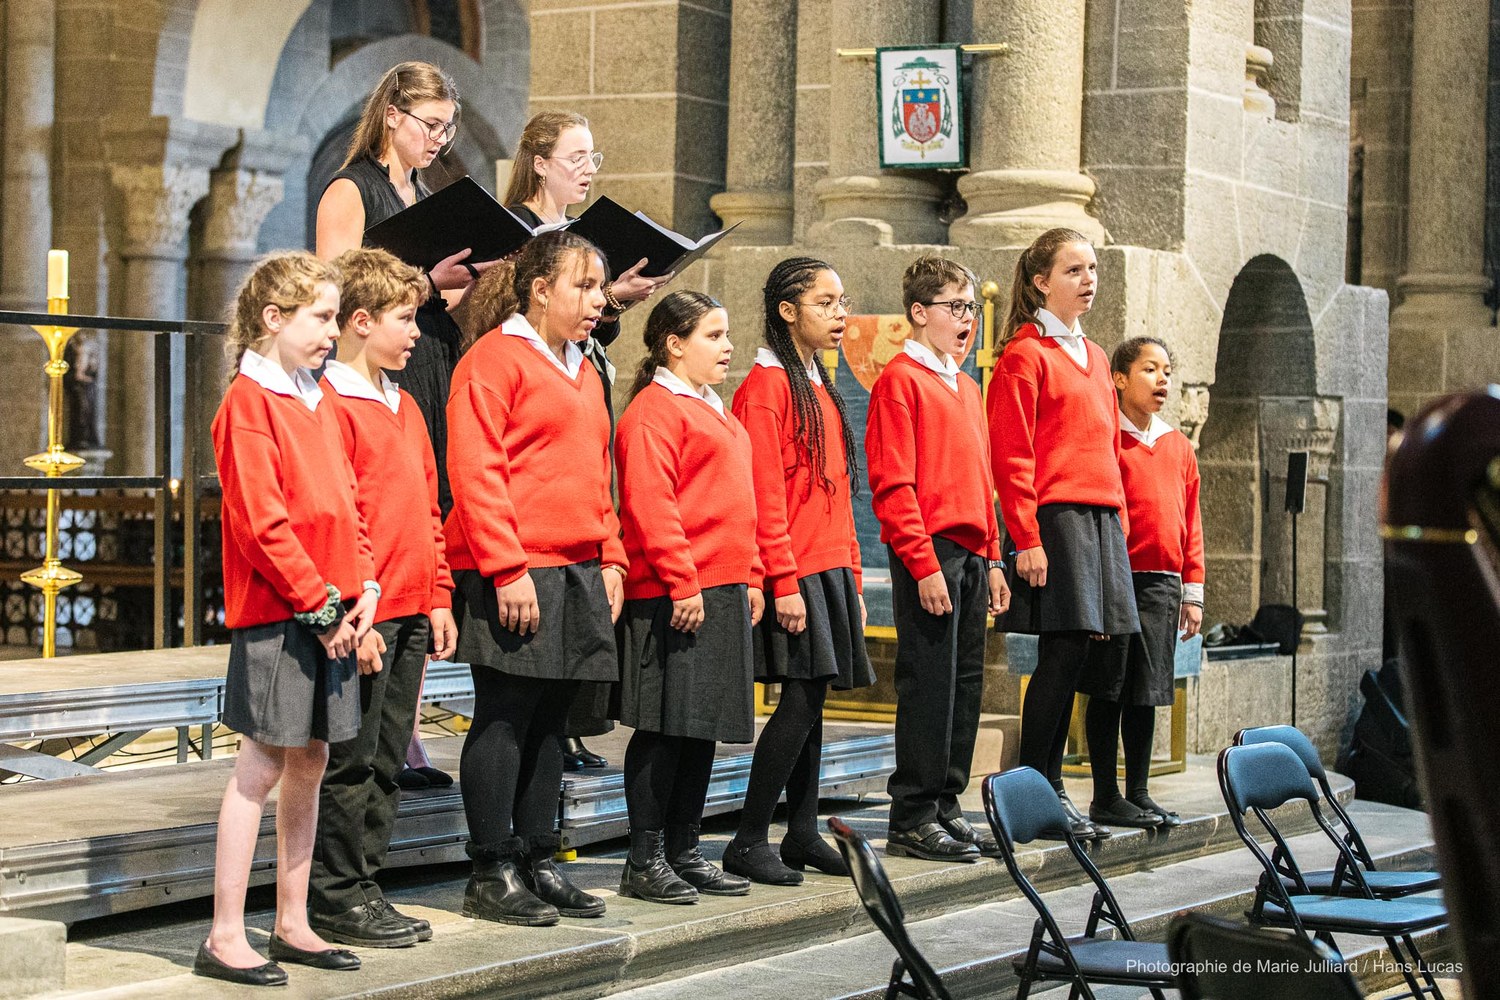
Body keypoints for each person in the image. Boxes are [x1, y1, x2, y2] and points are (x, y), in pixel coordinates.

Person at [199, 252, 375, 986]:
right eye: (322, 317)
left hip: (334, 611)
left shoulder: (317, 396)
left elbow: (347, 501)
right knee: (262, 764)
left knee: (313, 759)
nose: (334, 332)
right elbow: (263, 524)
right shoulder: (250, 402)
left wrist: (362, 588)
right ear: (274, 319)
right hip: (282, 614)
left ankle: (293, 920)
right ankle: (224, 934)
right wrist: (321, 605)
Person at [315, 59, 489, 790]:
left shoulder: (428, 196)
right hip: (373, 374)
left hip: (430, 360)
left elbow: (426, 301)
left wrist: (465, 286)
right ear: (392, 114)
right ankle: (378, 731)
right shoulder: (352, 189)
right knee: (383, 529)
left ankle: (406, 733)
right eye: (430, 124)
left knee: (426, 521)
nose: (439, 139)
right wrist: (428, 284)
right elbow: (335, 290)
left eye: (449, 128)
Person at [446, 230, 624, 926]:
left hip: (576, 565)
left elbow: (597, 470)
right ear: (541, 289)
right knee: (507, 714)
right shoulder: (493, 360)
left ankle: (538, 859)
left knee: (553, 720)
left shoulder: (583, 366)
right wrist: (506, 567)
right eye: (585, 286)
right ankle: (491, 869)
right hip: (516, 566)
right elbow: (476, 470)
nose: (598, 300)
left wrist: (611, 555)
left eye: (601, 287)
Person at [499, 109, 665, 770]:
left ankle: (572, 723)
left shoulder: (580, 238)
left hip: (581, 381)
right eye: (576, 157)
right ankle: (552, 730)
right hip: (534, 419)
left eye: (593, 157)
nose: (588, 169)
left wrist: (613, 300)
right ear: (539, 163)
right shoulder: (516, 235)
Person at [306, 248, 458, 947]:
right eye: (405, 318)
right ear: (361, 321)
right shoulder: (332, 405)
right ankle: (335, 895)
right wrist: (355, 614)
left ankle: (368, 886)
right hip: (365, 614)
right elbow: (340, 517)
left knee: (390, 759)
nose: (417, 332)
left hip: (412, 609)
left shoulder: (404, 403)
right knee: (352, 760)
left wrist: (439, 595)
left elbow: (428, 509)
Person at [721, 258, 874, 885]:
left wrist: (854, 578)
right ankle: (748, 838)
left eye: (842, 302)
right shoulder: (765, 387)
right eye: (825, 303)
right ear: (788, 312)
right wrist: (781, 580)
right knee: (800, 701)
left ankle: (803, 832)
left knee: (812, 704)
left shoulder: (815, 382)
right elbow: (763, 495)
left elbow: (836, 492)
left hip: (828, 564)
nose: (840, 315)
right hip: (796, 567)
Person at [989, 227, 1139, 841]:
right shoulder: (1025, 355)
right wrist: (1025, 537)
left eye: (1092, 268)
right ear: (1041, 282)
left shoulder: (1097, 356)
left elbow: (1107, 449)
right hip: (1055, 517)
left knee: (1086, 653)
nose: (1088, 279)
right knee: (1063, 651)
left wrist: (1120, 523)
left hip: (1100, 518)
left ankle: (1051, 787)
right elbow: (1011, 453)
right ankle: (1036, 787)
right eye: (1073, 270)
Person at [614, 291, 764, 904]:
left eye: (727, 335)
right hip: (674, 592)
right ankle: (644, 858)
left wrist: (752, 575)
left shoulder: (714, 409)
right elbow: (651, 504)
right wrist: (682, 579)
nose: (727, 347)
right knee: (664, 728)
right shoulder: (654, 411)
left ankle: (684, 848)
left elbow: (740, 503)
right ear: (674, 345)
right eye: (713, 335)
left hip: (720, 587)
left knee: (700, 729)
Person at [865, 255, 1010, 864]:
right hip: (930, 551)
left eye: (971, 307)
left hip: (972, 552)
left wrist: (995, 559)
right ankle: (912, 814)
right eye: (956, 307)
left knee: (965, 684)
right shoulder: (900, 381)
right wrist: (923, 565)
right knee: (928, 684)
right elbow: (893, 485)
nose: (967, 318)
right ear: (920, 312)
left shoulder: (966, 385)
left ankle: (947, 804)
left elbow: (981, 480)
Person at [1080, 336, 1203, 829]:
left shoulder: (1178, 445)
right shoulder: (1108, 437)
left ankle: (1138, 791)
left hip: (1162, 584)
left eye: (1167, 371)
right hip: (1116, 576)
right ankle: (1105, 796)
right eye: (1150, 369)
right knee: (1109, 687)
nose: (1162, 379)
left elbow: (1191, 521)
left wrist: (1193, 590)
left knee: (1146, 691)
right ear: (1119, 378)